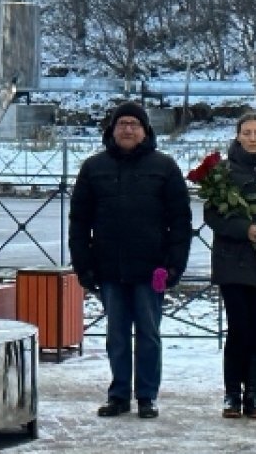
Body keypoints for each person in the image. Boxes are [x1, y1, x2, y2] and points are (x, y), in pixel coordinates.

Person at [68, 101, 193, 421]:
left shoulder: (164, 167)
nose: (127, 129)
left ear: (145, 131)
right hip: (109, 268)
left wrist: (174, 265)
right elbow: (79, 222)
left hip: (153, 270)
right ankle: (119, 394)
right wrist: (83, 266)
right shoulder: (93, 168)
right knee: (116, 336)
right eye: (121, 123)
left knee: (149, 335)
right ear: (112, 129)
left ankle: (147, 396)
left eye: (134, 124)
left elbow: (180, 221)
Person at [206, 112, 256, 420]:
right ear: (238, 136)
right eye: (247, 132)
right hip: (233, 261)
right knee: (238, 328)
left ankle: (252, 395)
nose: (253, 138)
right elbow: (212, 216)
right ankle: (232, 395)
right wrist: (242, 228)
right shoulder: (223, 170)